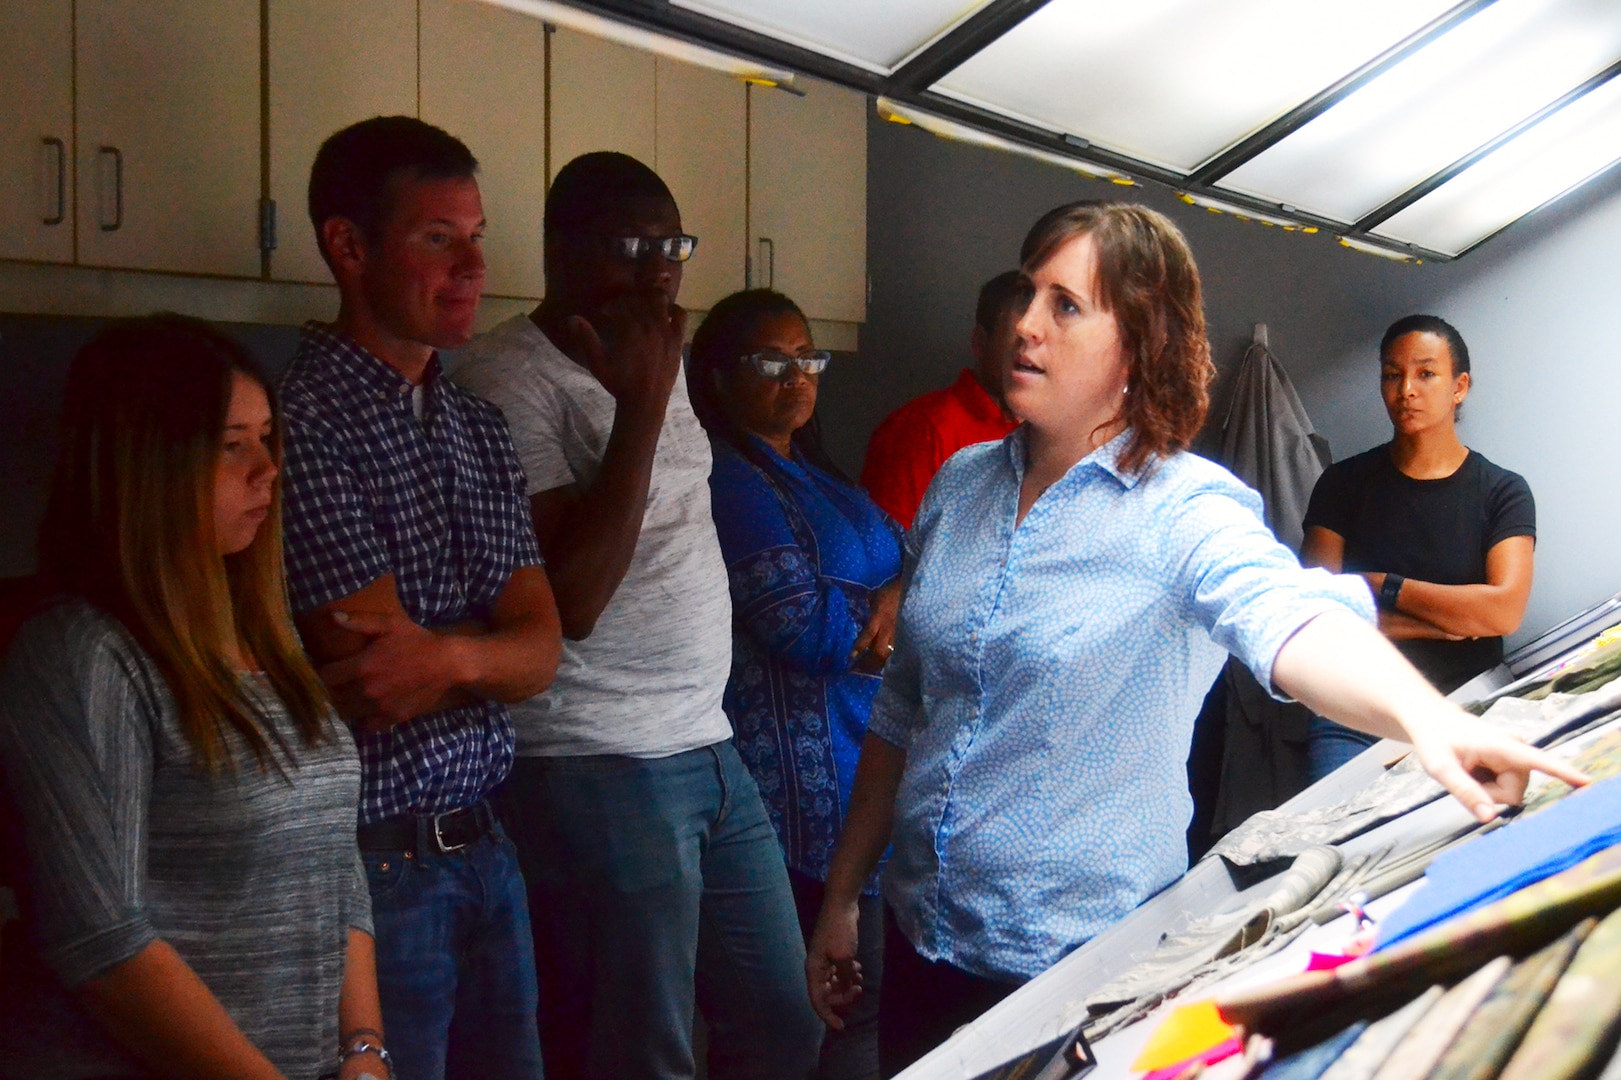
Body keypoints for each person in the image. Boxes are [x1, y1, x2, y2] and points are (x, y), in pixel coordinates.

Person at [802, 201, 1587, 1077]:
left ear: (1137, 344)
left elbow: (1289, 614)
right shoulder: (959, 484)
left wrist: (1427, 721)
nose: (1024, 324)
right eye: (1027, 294)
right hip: (921, 941)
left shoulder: (1182, 509)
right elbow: (903, 711)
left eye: (1066, 306)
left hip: (1069, 972)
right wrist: (843, 899)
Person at [452, 153, 822, 1080]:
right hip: (597, 755)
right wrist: (644, 402)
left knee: (784, 1019)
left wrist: (654, 385)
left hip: (706, 739)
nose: (659, 269)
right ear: (557, 249)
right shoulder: (503, 380)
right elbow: (572, 598)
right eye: (630, 246)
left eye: (672, 246)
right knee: (640, 1053)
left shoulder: (657, 355)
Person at [0, 315, 385, 1080]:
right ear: (150, 467)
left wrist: (364, 1052)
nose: (269, 469)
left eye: (269, 438)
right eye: (232, 445)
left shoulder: (267, 644)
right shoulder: (83, 655)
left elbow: (336, 873)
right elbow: (104, 942)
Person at [278, 116, 562, 1080]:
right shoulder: (300, 422)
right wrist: (488, 650)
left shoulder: (475, 424)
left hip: (488, 840)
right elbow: (375, 679)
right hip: (376, 868)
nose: (475, 264)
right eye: (438, 238)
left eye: (476, 235)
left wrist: (449, 656)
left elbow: (543, 651)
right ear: (348, 247)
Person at [689, 289, 904, 1080]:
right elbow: (805, 630)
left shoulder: (813, 472)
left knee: (857, 1017)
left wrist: (901, 596)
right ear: (715, 377)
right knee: (814, 1025)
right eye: (770, 361)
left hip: (861, 779)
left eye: (806, 358)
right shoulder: (730, 481)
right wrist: (894, 608)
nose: (797, 376)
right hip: (793, 804)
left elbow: (916, 561)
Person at [1300, 315, 1535, 780]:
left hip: (1469, 709)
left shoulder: (1502, 491)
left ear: (1459, 386)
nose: (1406, 389)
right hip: (1356, 716)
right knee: (1335, 844)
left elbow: (1502, 612)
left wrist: (1381, 586)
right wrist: (1447, 621)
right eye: (1392, 374)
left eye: (1426, 373)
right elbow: (1314, 613)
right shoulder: (1342, 485)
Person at [859, 271, 1023, 529]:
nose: (1031, 355)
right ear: (980, 343)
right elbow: (893, 555)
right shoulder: (920, 431)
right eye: (1017, 341)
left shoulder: (1050, 433)